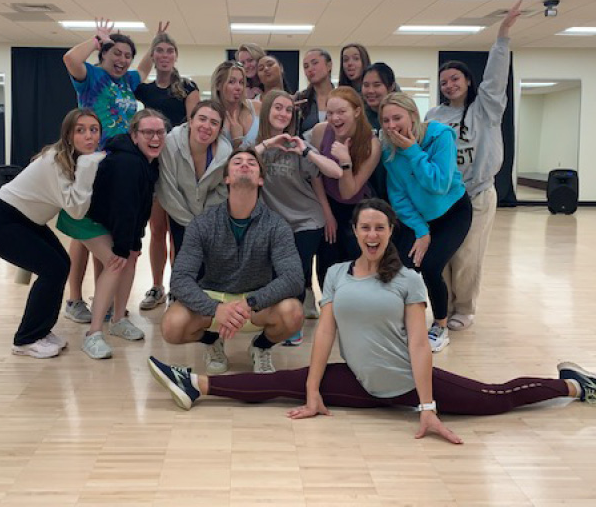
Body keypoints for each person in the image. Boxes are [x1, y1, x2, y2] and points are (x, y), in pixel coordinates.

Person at [148, 199, 596, 444]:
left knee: (494, 397)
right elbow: (324, 332)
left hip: (406, 382)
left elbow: (420, 346)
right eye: (365, 227)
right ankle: (195, 385)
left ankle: (574, 385)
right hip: (357, 380)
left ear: (389, 231)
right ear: (356, 233)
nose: (372, 235)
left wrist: (426, 407)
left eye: (380, 227)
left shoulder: (408, 280)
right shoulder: (338, 274)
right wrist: (312, 391)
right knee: (288, 383)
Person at [159, 149, 304, 375]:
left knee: (293, 312)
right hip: (213, 299)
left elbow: (293, 278)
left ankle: (261, 347)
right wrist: (215, 309)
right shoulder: (203, 223)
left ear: (261, 179)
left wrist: (250, 303)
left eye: (251, 163)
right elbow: (179, 278)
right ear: (226, 178)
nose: (244, 165)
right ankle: (212, 342)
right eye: (237, 162)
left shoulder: (276, 225)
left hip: (256, 302)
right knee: (171, 326)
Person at [0, 109, 104, 359]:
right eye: (80, 130)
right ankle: (25, 339)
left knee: (61, 264)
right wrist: (90, 164)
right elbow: (76, 210)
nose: (88, 135)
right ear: (68, 135)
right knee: (52, 269)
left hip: (26, 220)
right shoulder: (56, 160)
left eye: (93, 130)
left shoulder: (71, 158)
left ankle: (41, 331)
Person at [426, 0, 522, 332]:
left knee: (467, 254)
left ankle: (464, 308)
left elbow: (496, 78)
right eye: (443, 82)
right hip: (445, 196)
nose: (449, 85)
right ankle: (447, 304)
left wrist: (503, 36)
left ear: (467, 81)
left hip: (478, 193)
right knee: (444, 256)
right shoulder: (434, 117)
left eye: (454, 79)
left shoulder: (486, 109)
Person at [57, 109, 165, 359]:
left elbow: (139, 206)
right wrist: (123, 246)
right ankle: (93, 334)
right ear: (134, 135)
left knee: (129, 257)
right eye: (148, 132)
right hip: (84, 218)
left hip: (106, 217)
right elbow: (124, 208)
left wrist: (134, 241)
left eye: (160, 132)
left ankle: (118, 320)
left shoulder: (146, 160)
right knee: (116, 262)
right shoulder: (128, 164)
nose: (155, 138)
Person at [62, 18, 147, 324]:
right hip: (89, 162)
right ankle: (73, 299)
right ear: (104, 56)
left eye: (128, 55)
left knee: (106, 234)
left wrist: (160, 38)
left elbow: (146, 70)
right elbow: (70, 59)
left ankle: (104, 298)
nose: (123, 60)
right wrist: (97, 40)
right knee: (82, 234)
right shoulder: (92, 76)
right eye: (117, 53)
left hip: (115, 169)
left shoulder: (128, 82)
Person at [380, 93, 472, 353]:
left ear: (413, 116)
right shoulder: (388, 148)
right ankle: (407, 321)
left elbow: (439, 184)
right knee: (404, 267)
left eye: (397, 118)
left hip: (453, 212)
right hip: (419, 218)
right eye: (385, 120)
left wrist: (412, 151)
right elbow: (398, 196)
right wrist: (421, 231)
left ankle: (440, 326)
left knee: (431, 267)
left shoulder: (440, 136)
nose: (391, 125)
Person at [255, 90, 343, 337]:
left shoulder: (299, 144)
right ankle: (282, 317)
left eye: (288, 110)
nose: (283, 114)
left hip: (307, 219)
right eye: (278, 108)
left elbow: (326, 176)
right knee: (277, 273)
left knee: (294, 272)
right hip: (275, 223)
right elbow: (239, 163)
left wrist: (327, 215)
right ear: (267, 111)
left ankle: (292, 325)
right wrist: (268, 144)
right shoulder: (256, 146)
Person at [134, 25, 201, 310]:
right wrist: (153, 43)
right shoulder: (145, 89)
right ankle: (157, 286)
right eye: (159, 50)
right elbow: (135, 74)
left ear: (176, 56)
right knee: (157, 228)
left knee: (178, 230)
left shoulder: (187, 87)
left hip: (177, 165)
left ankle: (179, 286)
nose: (164, 55)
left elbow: (193, 126)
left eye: (169, 50)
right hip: (151, 165)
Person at [145, 100, 233, 309]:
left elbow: (222, 190)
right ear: (191, 121)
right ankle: (176, 292)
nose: (206, 126)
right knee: (182, 248)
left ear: (220, 129)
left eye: (214, 123)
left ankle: (202, 297)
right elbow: (167, 189)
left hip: (206, 214)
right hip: (178, 208)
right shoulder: (171, 143)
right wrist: (191, 223)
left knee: (205, 258)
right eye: (202, 119)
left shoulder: (225, 152)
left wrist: (202, 220)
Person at [309, 87, 381, 289]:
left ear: (357, 112)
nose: (334, 118)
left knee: (355, 265)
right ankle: (329, 309)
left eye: (341, 112)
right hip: (327, 203)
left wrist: (345, 161)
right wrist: (326, 214)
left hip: (356, 208)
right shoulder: (320, 131)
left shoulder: (371, 144)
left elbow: (349, 191)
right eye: (330, 113)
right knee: (326, 264)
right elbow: (315, 176)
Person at [361, 62, 400, 202]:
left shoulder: (403, 117)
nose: (370, 90)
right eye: (366, 85)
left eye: (377, 85)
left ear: (391, 87)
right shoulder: (359, 118)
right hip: (368, 197)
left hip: (400, 197)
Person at [211, 61, 261, 150]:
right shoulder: (213, 117)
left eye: (241, 82)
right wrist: (237, 142)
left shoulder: (257, 107)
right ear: (218, 85)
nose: (238, 87)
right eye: (231, 82)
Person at [296, 48, 334, 135]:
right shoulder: (301, 99)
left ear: (329, 66)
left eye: (315, 63)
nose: (310, 69)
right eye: (306, 66)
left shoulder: (343, 96)